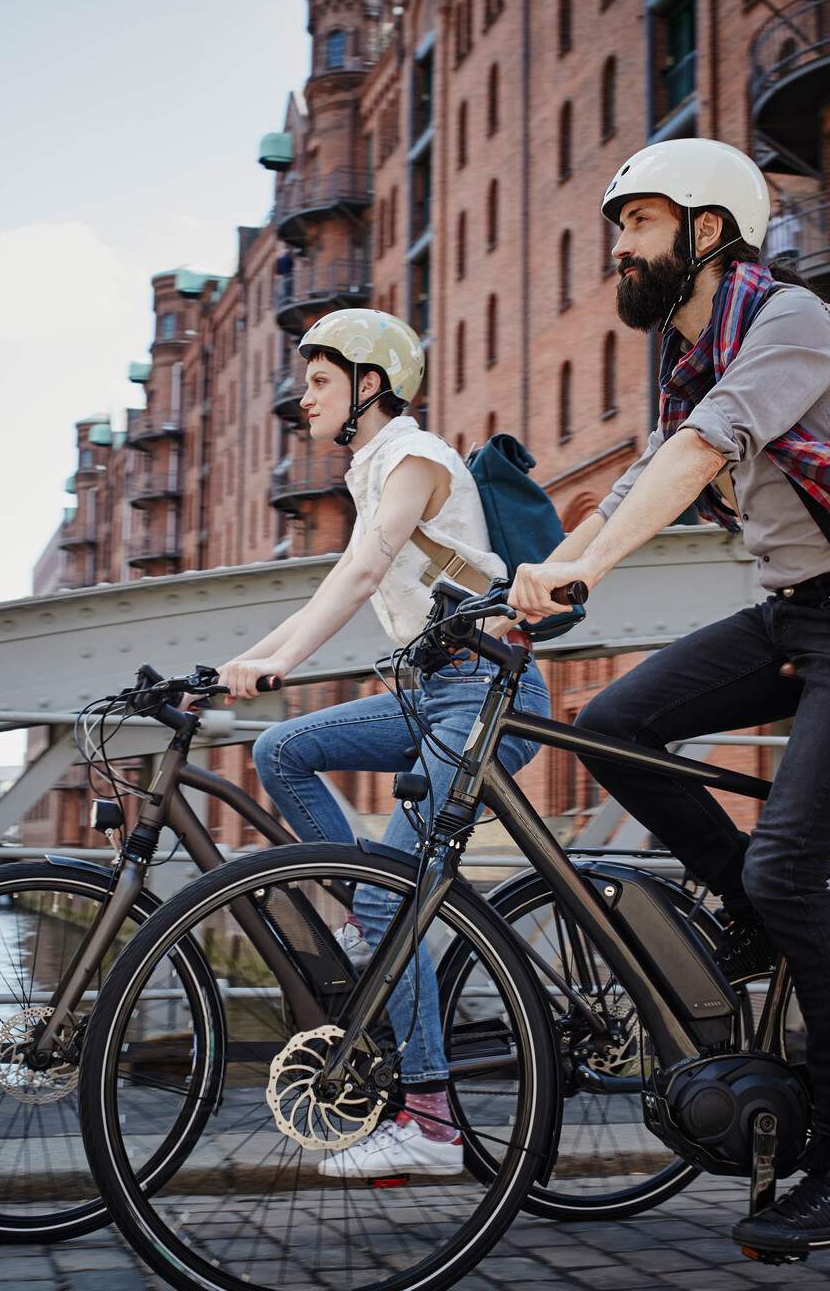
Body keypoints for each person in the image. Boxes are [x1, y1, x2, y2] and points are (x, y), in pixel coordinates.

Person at [508, 138, 830, 1255]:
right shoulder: (695, 349)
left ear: (708, 232)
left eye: (640, 224)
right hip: (803, 610)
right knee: (613, 723)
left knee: (789, 857)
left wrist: (587, 574)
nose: (620, 248)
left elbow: (701, 455)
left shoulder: (789, 323)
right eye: (622, 228)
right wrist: (527, 581)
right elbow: (635, 476)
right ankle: (756, 916)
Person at [216, 307, 550, 1179]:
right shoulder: (374, 468)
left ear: (373, 385)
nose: (305, 398)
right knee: (281, 751)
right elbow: (346, 575)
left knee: (388, 900)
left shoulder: (413, 458)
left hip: (483, 698)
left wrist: (281, 660)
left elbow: (361, 571)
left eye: (322, 381)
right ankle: (370, 921)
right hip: (433, 692)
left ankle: (433, 1122)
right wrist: (244, 662)